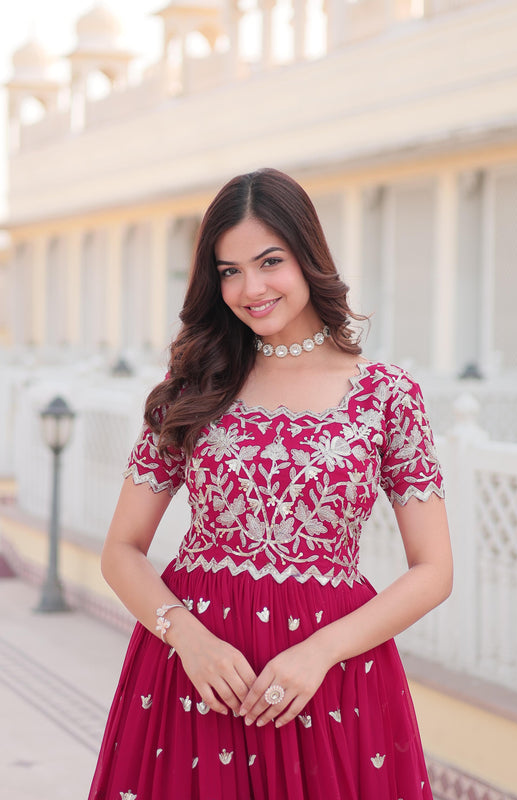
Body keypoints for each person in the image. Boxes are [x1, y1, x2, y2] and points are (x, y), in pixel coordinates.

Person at [88, 168, 452, 800]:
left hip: (330, 680)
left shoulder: (387, 395)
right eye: (229, 271)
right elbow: (120, 550)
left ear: (308, 255)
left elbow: (434, 570)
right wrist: (189, 640)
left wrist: (320, 653)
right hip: (197, 679)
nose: (250, 288)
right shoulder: (192, 387)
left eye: (269, 261)